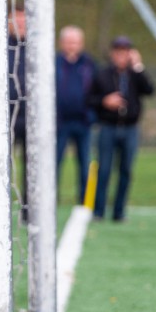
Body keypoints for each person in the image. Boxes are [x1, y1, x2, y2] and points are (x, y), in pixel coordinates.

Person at [88, 36, 155, 222]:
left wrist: (138, 66)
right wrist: (104, 101)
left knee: (125, 170)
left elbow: (150, 90)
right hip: (107, 127)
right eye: (118, 51)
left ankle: (119, 212)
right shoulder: (102, 74)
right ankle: (98, 211)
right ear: (112, 53)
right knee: (104, 170)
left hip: (130, 129)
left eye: (125, 51)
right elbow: (89, 99)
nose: (121, 55)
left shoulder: (135, 74)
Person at [55, 25, 96, 204]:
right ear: (62, 43)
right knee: (54, 162)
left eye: (76, 42)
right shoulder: (54, 63)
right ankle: (51, 200)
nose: (72, 45)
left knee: (85, 163)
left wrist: (92, 114)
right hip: (60, 123)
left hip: (83, 122)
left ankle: (85, 201)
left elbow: (97, 90)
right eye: (69, 42)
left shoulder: (89, 64)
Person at [8, 9, 28, 220]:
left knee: (32, 165)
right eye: (17, 19)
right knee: (2, 162)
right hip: (7, 115)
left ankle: (29, 210)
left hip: (31, 116)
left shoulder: (37, 47)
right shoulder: (1, 45)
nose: (21, 24)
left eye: (24, 20)